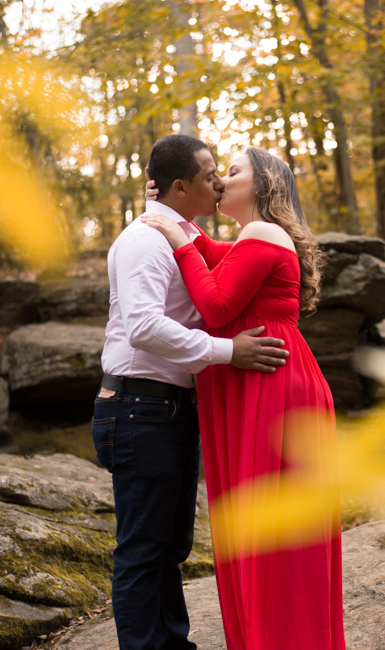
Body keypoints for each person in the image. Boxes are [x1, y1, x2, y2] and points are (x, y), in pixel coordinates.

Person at [142, 147, 346, 650]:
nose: (218, 181)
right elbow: (211, 253)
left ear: (263, 186)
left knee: (272, 533)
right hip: (255, 382)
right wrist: (170, 209)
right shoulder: (249, 240)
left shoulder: (262, 233)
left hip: (272, 386)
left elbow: (215, 306)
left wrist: (174, 234)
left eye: (231, 173)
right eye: (212, 175)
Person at [93, 134, 290, 650]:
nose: (220, 182)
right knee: (142, 551)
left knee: (171, 547)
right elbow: (143, 328)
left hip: (171, 410)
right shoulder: (144, 240)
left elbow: (228, 275)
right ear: (181, 187)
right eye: (209, 176)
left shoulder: (179, 234)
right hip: (139, 408)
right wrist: (229, 353)